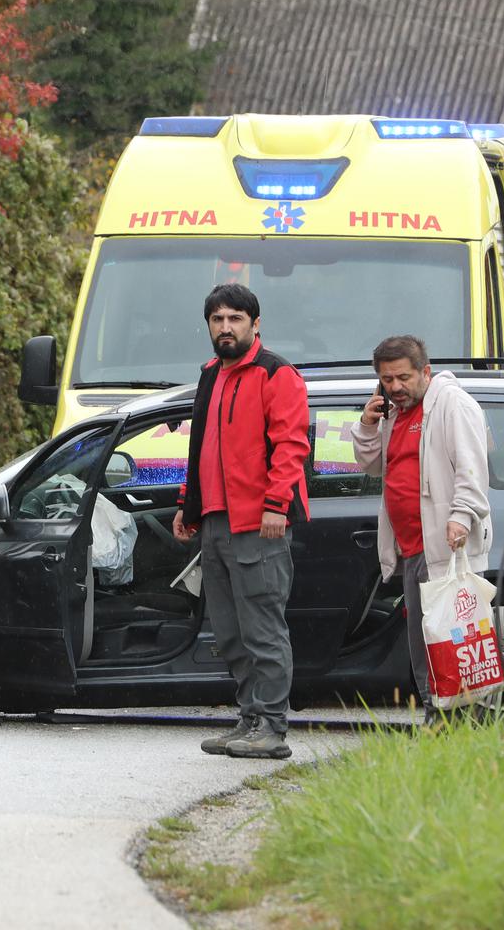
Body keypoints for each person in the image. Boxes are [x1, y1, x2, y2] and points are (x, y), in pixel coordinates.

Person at [172, 283, 310, 760]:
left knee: (263, 630)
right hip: (215, 521)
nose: (225, 327)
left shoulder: (277, 374)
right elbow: (202, 449)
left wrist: (276, 504)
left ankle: (272, 727)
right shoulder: (211, 374)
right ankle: (249, 718)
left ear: (255, 324)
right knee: (229, 632)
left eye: (235, 318)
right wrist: (189, 505)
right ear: (208, 325)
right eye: (217, 319)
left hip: (259, 523)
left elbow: (291, 446)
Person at [350, 335, 492, 721]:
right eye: (387, 379)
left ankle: (462, 718)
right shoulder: (395, 414)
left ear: (425, 372)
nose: (396, 387)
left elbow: (472, 468)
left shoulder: (451, 405)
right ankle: (438, 714)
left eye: (403, 377)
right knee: (426, 641)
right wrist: (367, 424)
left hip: (446, 546)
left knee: (454, 638)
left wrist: (461, 516)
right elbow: (374, 465)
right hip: (413, 548)